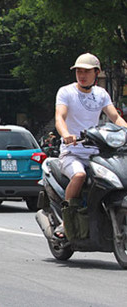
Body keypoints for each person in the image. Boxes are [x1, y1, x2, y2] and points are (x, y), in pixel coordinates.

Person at [54, 53, 127, 238]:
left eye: (86, 71)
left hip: (97, 153)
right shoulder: (66, 92)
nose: (82, 75)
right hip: (73, 152)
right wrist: (66, 134)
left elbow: (116, 117)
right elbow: (59, 117)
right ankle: (66, 221)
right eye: (78, 71)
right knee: (79, 175)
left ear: (96, 72)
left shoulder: (101, 94)